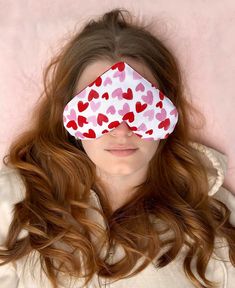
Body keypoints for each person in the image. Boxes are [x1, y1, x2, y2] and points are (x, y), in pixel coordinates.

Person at [0, 7, 235, 288]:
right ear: (68, 112)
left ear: (167, 107)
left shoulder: (213, 217)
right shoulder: (12, 203)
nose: (121, 129)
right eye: (98, 105)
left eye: (140, 104)